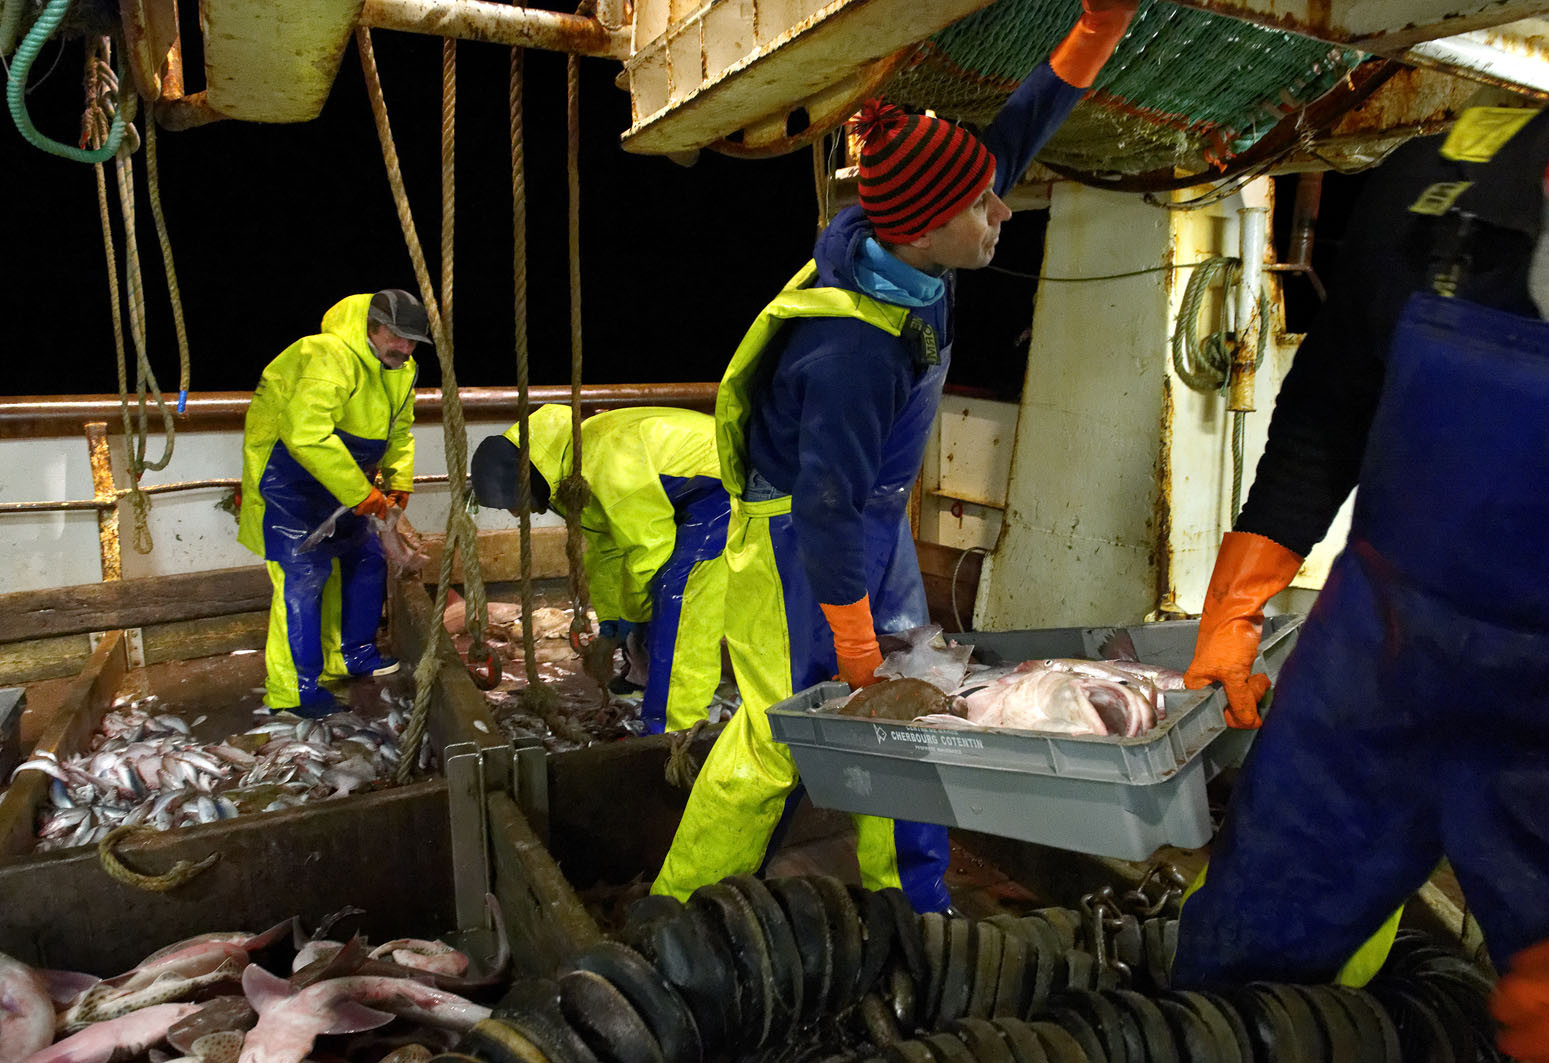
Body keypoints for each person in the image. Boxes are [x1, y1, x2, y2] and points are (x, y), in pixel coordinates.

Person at [649, 0, 1141, 914]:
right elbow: (825, 509)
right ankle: (681, 910)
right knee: (781, 727)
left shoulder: (928, 234)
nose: (1003, 211)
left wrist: (1096, 27)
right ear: (921, 230)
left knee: (914, 710)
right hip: (799, 538)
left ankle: (911, 896)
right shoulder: (853, 353)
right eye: (981, 206)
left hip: (872, 519)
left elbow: (1022, 126)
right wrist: (855, 644)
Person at [1172, 35, 1549, 1062]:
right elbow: (1328, 409)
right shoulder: (1433, 193)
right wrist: (1239, 601)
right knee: (1228, 988)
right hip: (1366, 687)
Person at [470, 404, 730, 734]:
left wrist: (633, 620)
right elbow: (606, 552)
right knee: (643, 595)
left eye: (513, 503)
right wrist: (610, 629)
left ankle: (671, 730)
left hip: (725, 484)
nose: (513, 512)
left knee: (679, 593)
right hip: (685, 496)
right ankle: (645, 673)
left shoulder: (606, 465)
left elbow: (649, 550)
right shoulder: (567, 476)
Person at [238, 290, 427, 718]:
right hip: (289, 483)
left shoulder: (403, 368)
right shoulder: (326, 355)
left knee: (366, 559)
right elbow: (305, 436)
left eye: (414, 340)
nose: (406, 348)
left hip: (347, 482)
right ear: (371, 327)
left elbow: (400, 432)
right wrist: (362, 494)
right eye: (397, 337)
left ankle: (353, 655)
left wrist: (399, 484)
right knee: (303, 579)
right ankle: (295, 690)